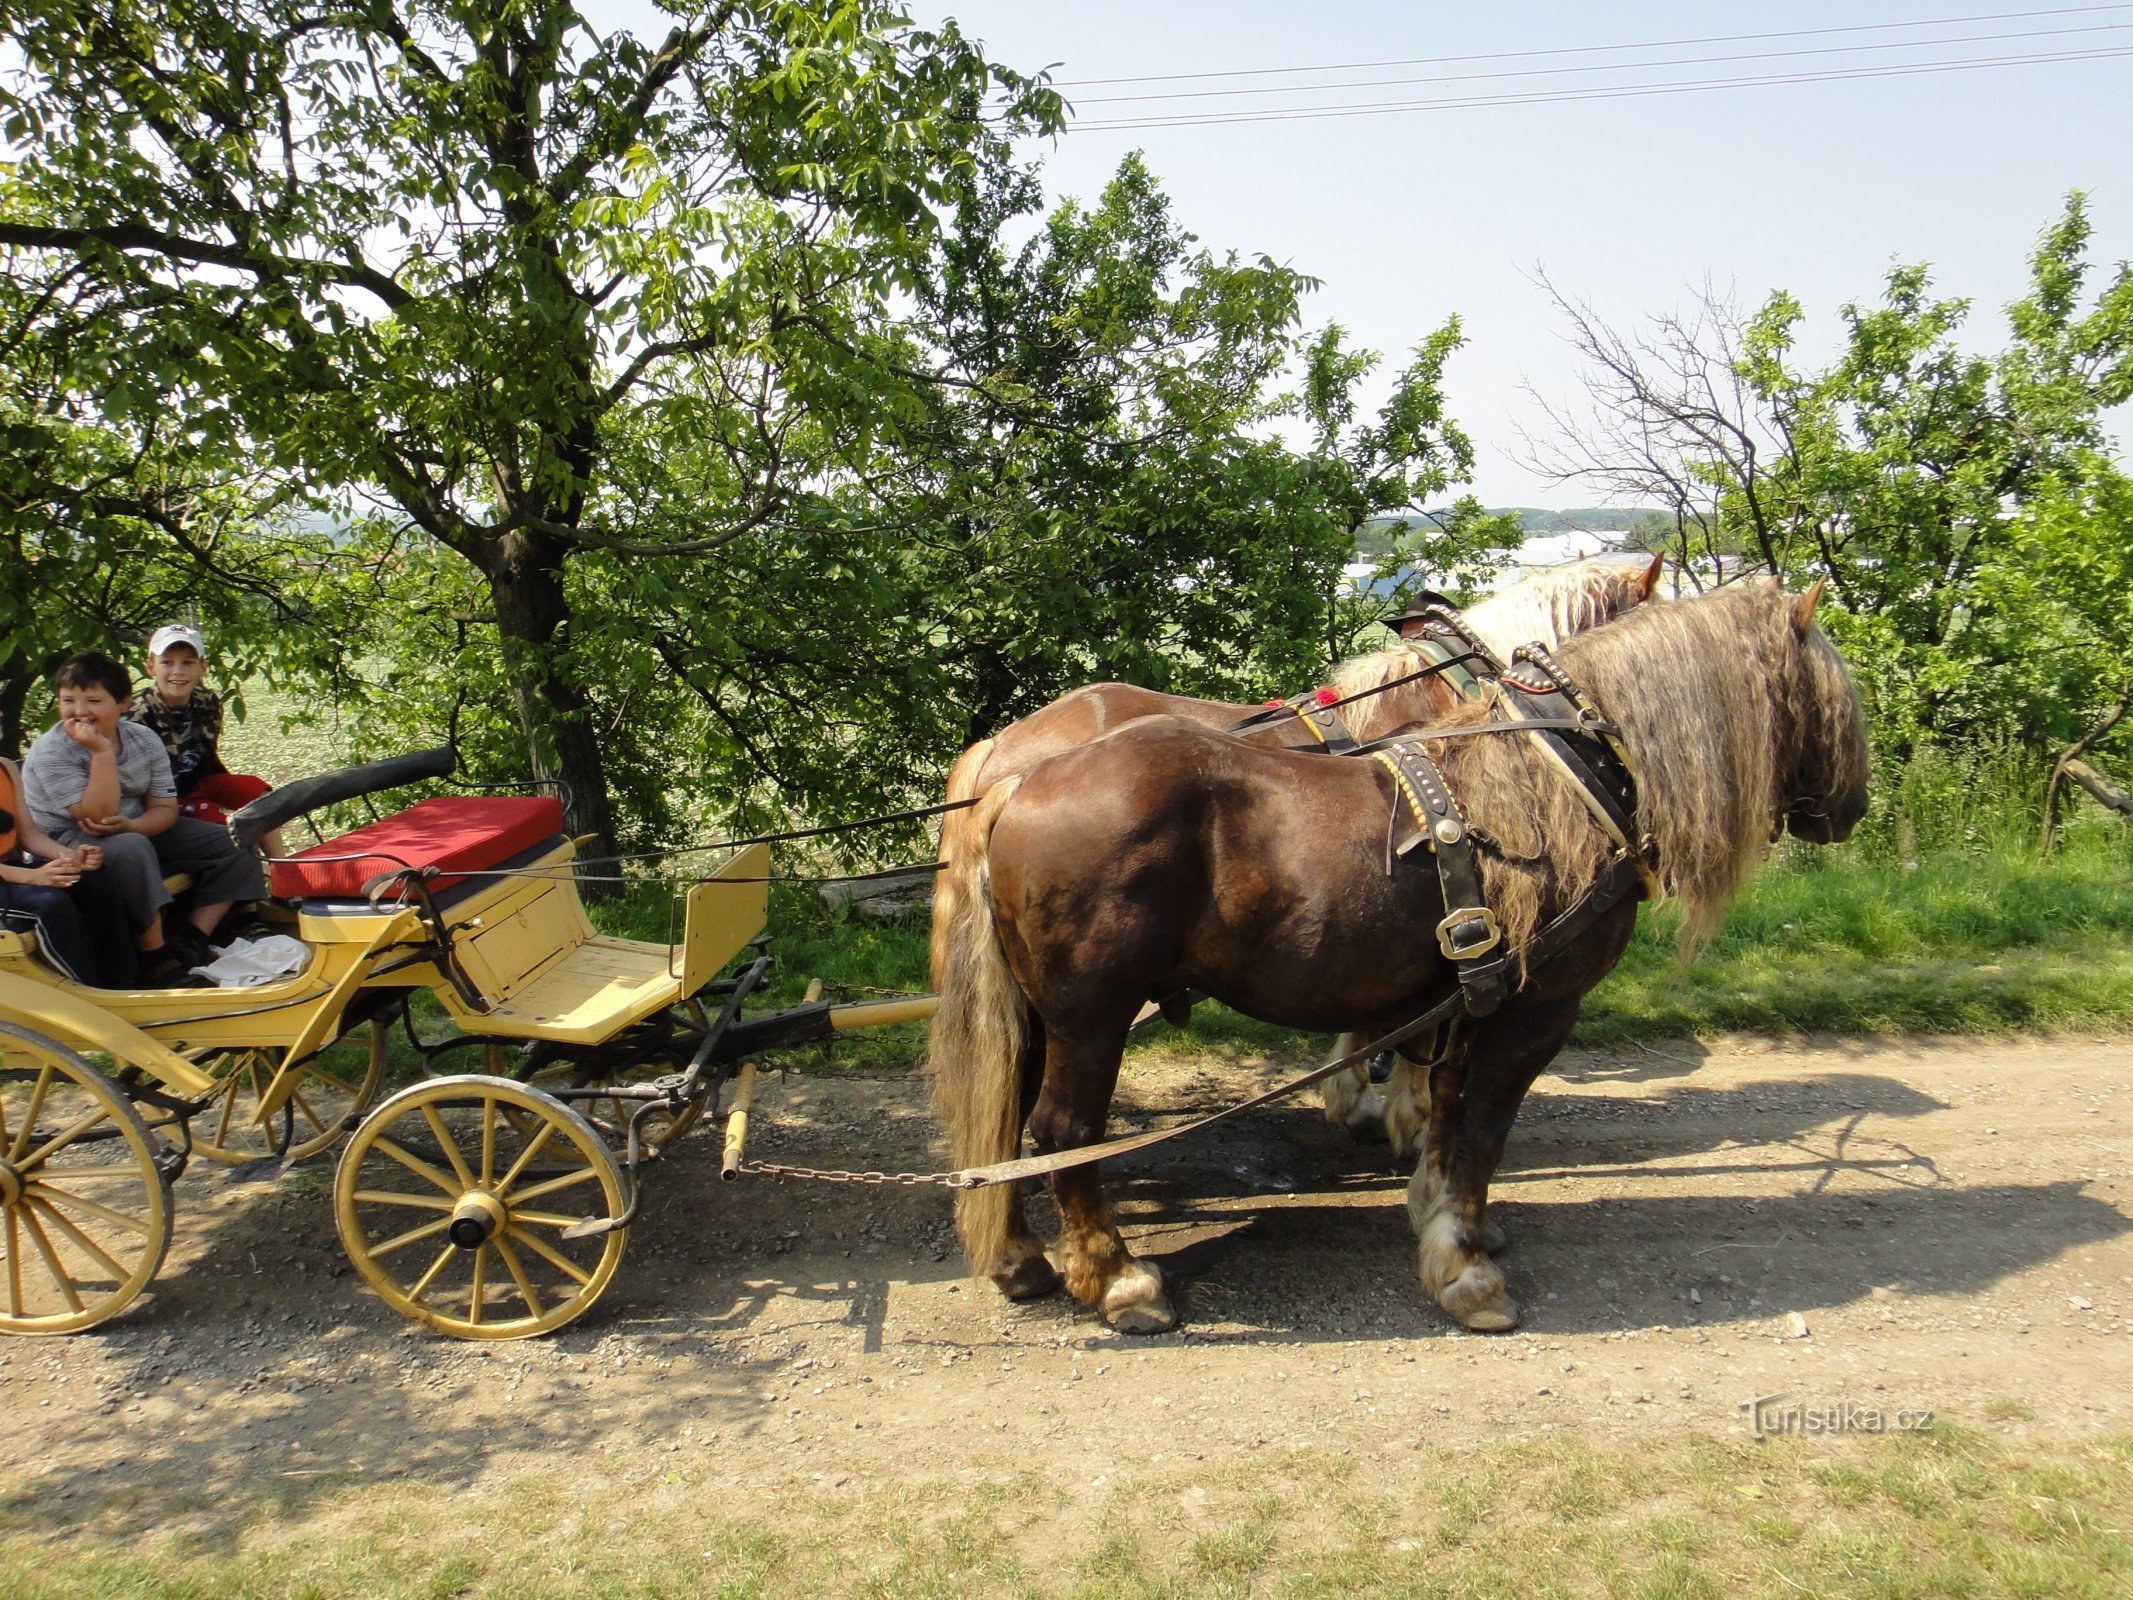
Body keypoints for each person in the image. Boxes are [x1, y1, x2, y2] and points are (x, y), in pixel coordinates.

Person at [19, 652, 264, 987]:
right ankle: (156, 960)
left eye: (93, 700)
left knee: (235, 839)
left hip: (134, 826)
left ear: (122, 703)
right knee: (131, 848)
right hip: (68, 838)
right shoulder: (53, 751)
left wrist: (135, 825)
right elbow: (98, 817)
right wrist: (101, 752)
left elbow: (165, 808)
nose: (79, 712)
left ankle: (193, 937)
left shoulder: (142, 739)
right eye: (68, 701)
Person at [128, 623, 284, 854]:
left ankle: (283, 870)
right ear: (151, 667)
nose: (178, 671)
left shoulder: (207, 701)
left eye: (188, 663)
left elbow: (207, 756)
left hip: (200, 780)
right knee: (237, 825)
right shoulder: (136, 714)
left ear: (203, 667)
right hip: (164, 798)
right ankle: (263, 878)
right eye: (167, 662)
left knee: (260, 795)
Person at [0, 755, 139, 987]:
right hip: (9, 879)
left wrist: (72, 857)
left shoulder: (6, 767)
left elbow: (30, 837)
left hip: (9, 872)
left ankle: (124, 984)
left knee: (94, 879)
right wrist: (32, 877)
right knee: (49, 903)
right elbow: (32, 877)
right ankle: (86, 990)